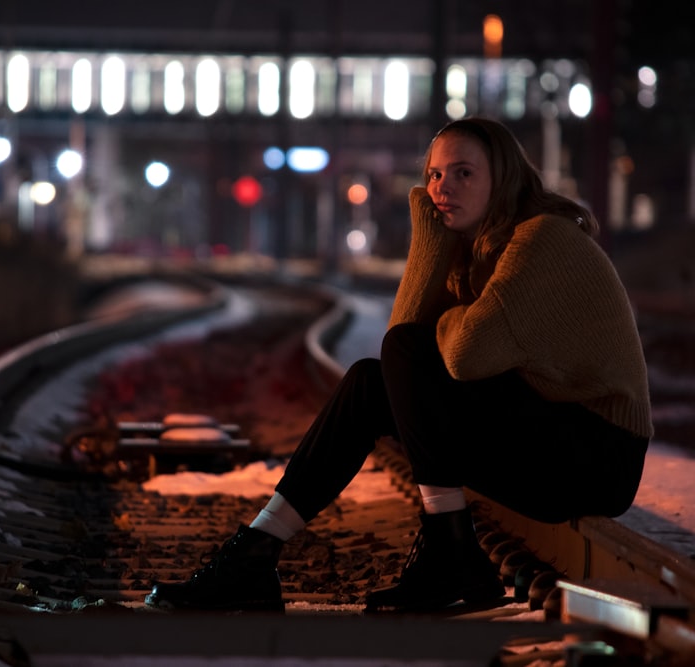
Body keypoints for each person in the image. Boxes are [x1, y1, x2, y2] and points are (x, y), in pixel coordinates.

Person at [145, 116, 653, 614]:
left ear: (504, 180)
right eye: (433, 174)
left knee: (407, 352)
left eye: (463, 173)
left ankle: (448, 549)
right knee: (370, 381)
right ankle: (259, 549)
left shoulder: (544, 240)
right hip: (550, 435)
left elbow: (460, 354)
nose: (441, 187)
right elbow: (401, 365)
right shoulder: (476, 252)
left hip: (597, 455)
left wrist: (445, 321)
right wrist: (431, 246)